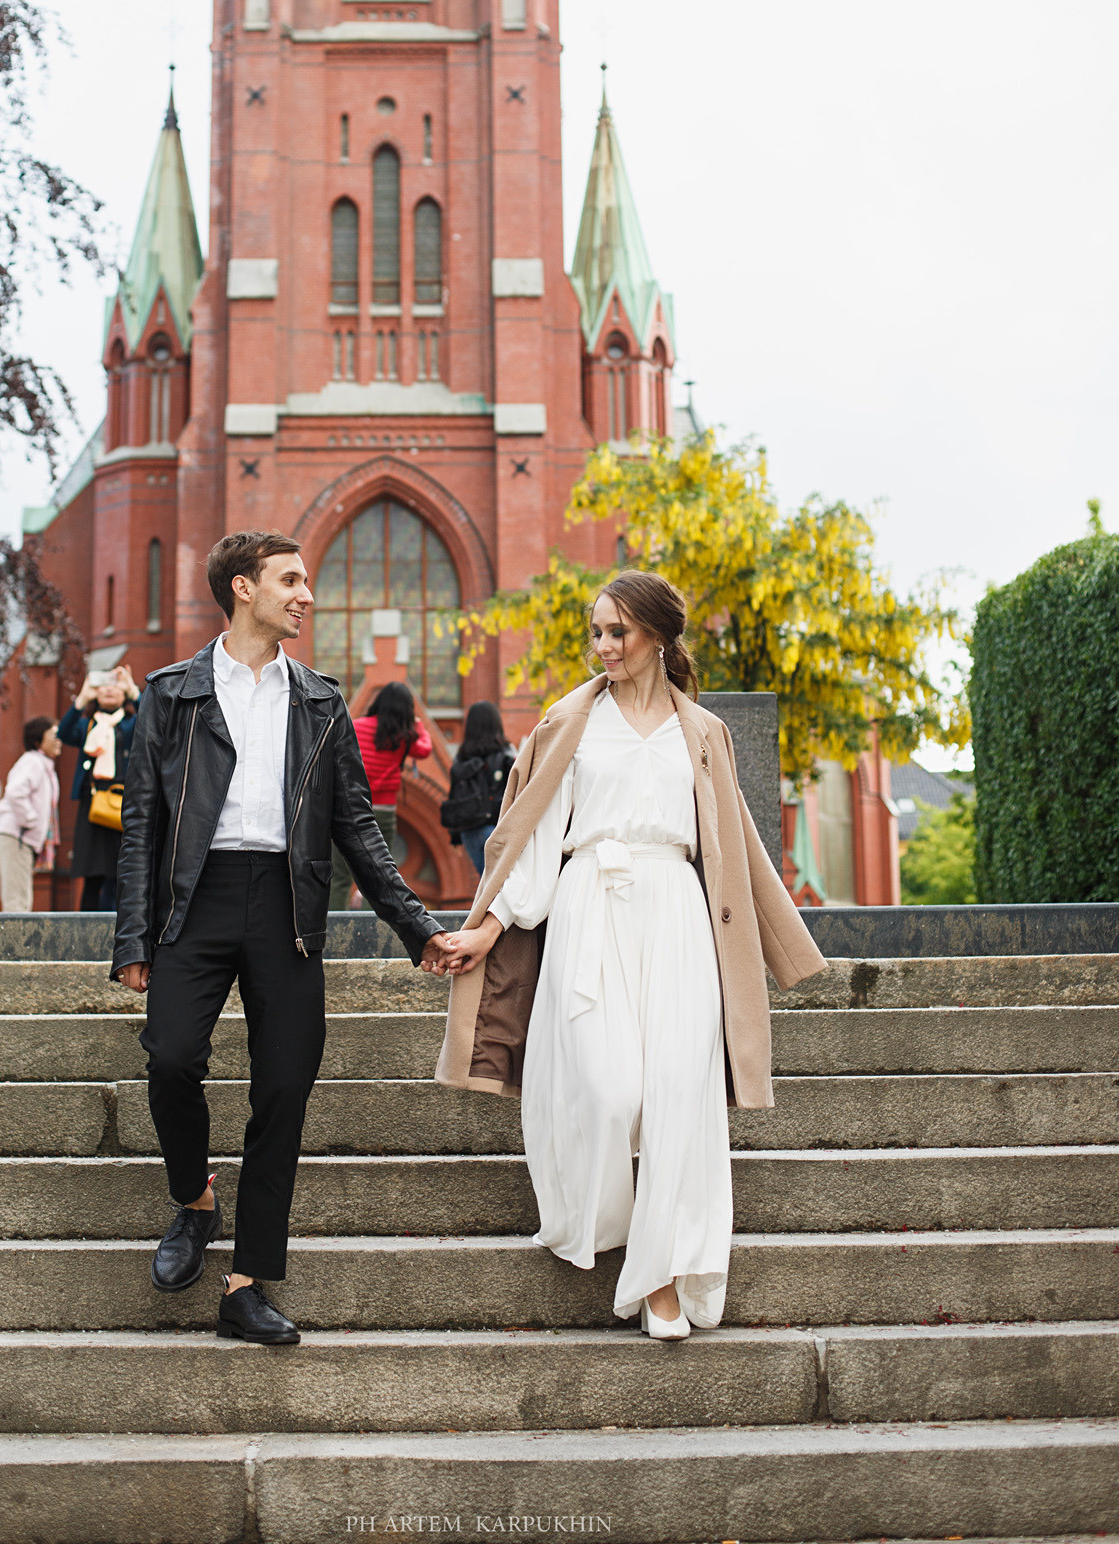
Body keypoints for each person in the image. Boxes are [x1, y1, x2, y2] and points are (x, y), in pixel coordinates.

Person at [435, 571, 827, 1339]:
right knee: (610, 1092)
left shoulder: (703, 732)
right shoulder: (567, 722)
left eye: (617, 631)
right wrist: (490, 925)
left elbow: (732, 846)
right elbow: (536, 837)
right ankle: (604, 1222)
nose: (603, 646)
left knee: (681, 1100)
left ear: (657, 636)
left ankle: (661, 1280)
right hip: (589, 910)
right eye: (597, 632)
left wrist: (776, 945)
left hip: (677, 914)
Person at [111, 530, 454, 1348]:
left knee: (284, 1090)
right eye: (290, 580)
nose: (306, 593)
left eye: (306, 581)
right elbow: (142, 824)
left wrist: (419, 927)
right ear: (241, 588)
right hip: (196, 900)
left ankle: (246, 1282)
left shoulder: (322, 701)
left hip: (289, 910)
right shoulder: (172, 693)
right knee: (170, 1058)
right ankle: (194, 1199)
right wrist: (134, 936)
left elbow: (359, 831)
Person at [329, 680, 432, 910]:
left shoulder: (356, 726)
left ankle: (332, 934)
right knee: (378, 875)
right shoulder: (404, 735)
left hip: (351, 807)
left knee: (339, 876)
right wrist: (418, 726)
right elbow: (425, 749)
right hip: (384, 812)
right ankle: (371, 932)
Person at [58, 665, 139, 912]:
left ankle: (119, 927)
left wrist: (134, 690)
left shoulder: (132, 722)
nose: (109, 690)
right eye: (103, 685)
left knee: (120, 871)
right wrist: (82, 697)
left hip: (123, 803)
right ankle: (87, 928)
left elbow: (154, 719)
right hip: (92, 804)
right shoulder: (87, 725)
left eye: (115, 684)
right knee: (92, 873)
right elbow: (64, 732)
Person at [0, 716, 62, 912]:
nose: (59, 740)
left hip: (21, 839)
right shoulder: (33, 761)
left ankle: (16, 942)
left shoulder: (45, 766)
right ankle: (13, 943)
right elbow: (15, 792)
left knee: (21, 899)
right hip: (16, 837)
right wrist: (31, 821)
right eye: (54, 735)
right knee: (16, 902)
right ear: (38, 740)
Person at [440, 700, 516, 876]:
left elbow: (455, 797)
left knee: (485, 880)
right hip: (499, 828)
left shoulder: (462, 758)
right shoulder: (505, 755)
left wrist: (455, 837)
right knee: (500, 884)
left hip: (470, 829)